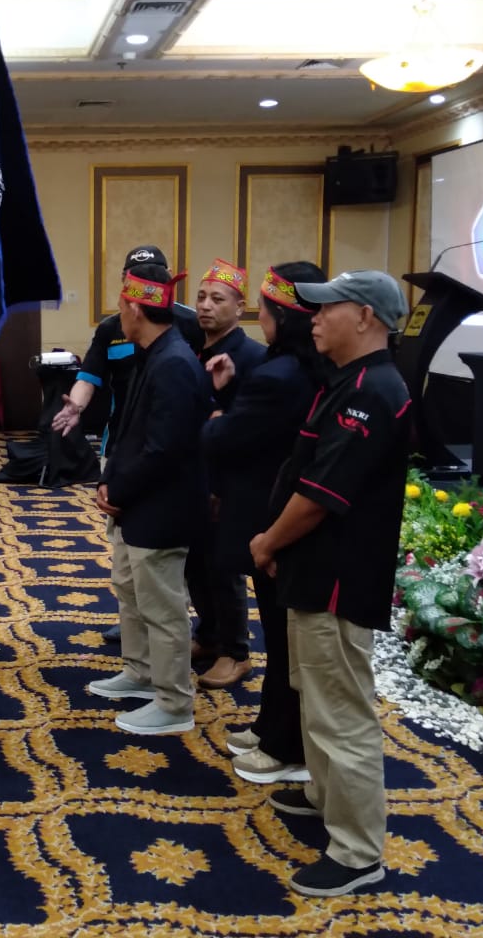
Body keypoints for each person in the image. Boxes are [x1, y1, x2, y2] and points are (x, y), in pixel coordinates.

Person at [248, 269, 411, 898]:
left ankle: (358, 852)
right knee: (316, 697)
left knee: (341, 712)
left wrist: (268, 541)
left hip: (338, 579)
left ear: (366, 317)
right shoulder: (350, 380)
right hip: (316, 573)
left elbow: (320, 495)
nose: (312, 318)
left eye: (326, 308)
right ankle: (324, 796)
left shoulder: (371, 392)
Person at [200, 262, 328, 785]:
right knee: (280, 640)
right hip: (277, 513)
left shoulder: (279, 375)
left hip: (273, 519)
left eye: (265, 307)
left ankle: (284, 745)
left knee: (284, 640)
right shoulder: (298, 366)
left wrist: (216, 415)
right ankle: (270, 727)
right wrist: (230, 396)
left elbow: (225, 438)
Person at [52, 244, 204, 642]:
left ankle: (170, 620)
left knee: (165, 549)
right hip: (120, 448)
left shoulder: (185, 326)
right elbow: (90, 375)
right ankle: (136, 622)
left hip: (168, 449)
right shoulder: (111, 328)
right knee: (124, 544)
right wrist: (75, 407)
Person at [86, 263, 210, 736]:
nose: (118, 314)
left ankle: (175, 703)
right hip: (138, 503)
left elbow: (164, 449)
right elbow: (128, 430)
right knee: (131, 590)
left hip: (162, 507)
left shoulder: (173, 362)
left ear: (136, 308)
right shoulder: (152, 354)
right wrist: (109, 478)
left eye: (121, 305)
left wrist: (120, 489)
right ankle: (139, 672)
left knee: (162, 607)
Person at [184, 259, 266, 688]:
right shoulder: (193, 349)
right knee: (195, 565)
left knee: (223, 567)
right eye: (201, 297)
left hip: (228, 482)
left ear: (240, 306)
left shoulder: (253, 357)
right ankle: (210, 635)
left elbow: (248, 427)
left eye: (217, 299)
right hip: (193, 476)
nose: (205, 306)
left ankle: (236, 652)